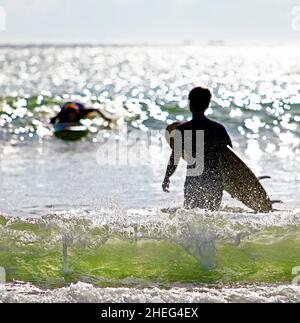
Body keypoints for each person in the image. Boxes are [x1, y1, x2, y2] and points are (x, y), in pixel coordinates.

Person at [162, 87, 232, 211]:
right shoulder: (218, 129)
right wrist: (234, 185)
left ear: (190, 104)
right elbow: (229, 157)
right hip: (214, 181)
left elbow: (175, 158)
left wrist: (167, 177)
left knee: (192, 216)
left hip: (194, 181)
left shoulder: (183, 130)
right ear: (207, 105)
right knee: (213, 217)